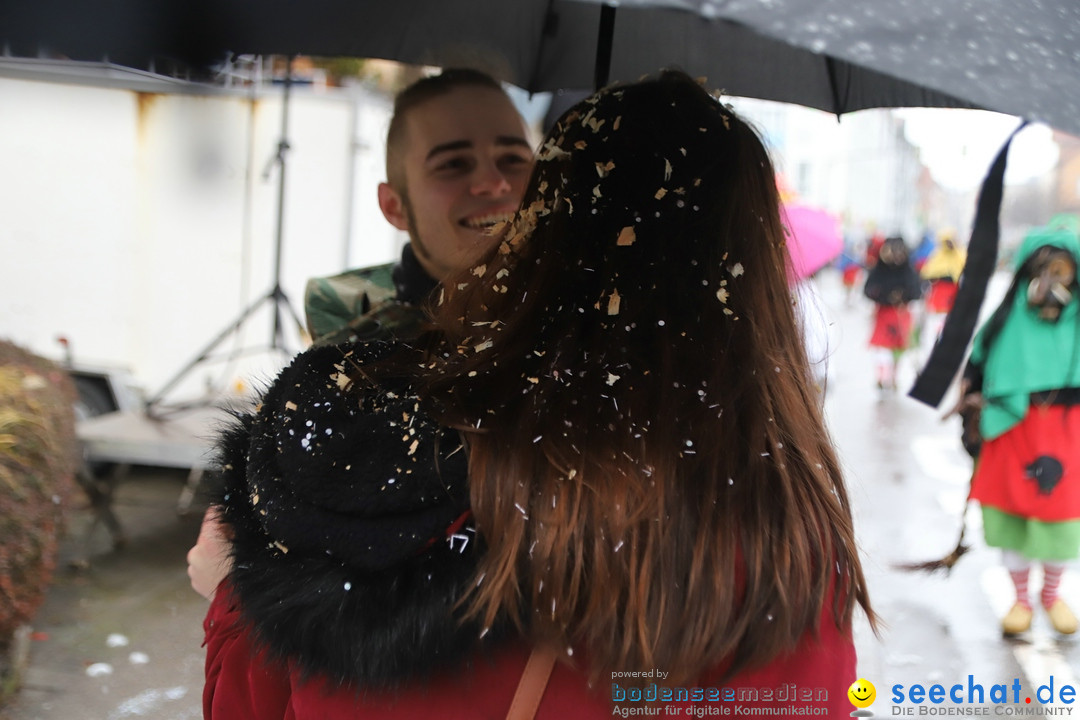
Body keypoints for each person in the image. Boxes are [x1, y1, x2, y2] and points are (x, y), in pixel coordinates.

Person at [192, 70, 873, 718]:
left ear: (544, 216)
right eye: (452, 164)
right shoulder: (775, 543)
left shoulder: (376, 440)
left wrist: (234, 593)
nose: (489, 185)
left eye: (516, 162)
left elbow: (257, 698)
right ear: (752, 264)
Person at [303, 68, 535, 346]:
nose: (495, 182)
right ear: (394, 207)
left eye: (512, 158)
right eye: (453, 164)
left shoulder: (587, 313)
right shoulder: (353, 353)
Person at [960, 219, 1080, 636]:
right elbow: (977, 363)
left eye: (1061, 270)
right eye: (1041, 269)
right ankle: (1021, 600)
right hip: (1012, 427)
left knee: (1062, 515)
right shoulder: (1006, 320)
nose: (1050, 283)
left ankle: (1051, 595)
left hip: (1069, 431)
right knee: (1010, 511)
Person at [862, 235, 924, 390]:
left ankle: (894, 376)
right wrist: (885, 296)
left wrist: (903, 296)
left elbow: (917, 292)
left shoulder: (908, 269)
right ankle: (882, 378)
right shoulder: (880, 269)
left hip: (902, 314)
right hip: (884, 313)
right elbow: (868, 290)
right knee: (882, 347)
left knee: (898, 349)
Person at [917, 230, 966, 362]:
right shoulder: (937, 256)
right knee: (935, 328)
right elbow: (927, 273)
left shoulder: (961, 255)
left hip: (953, 299)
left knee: (949, 328)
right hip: (937, 299)